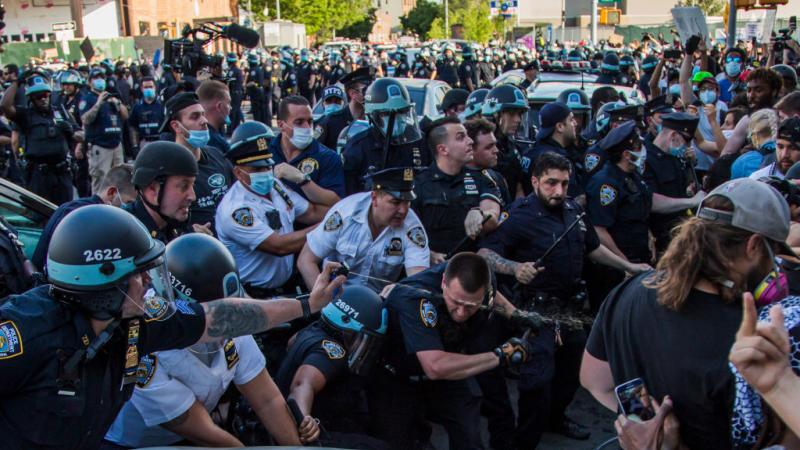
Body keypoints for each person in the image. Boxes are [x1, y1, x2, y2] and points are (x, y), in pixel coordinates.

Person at [0, 202, 345, 450]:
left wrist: (307, 304)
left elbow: (219, 316)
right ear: (105, 284)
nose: (148, 284)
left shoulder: (136, 322)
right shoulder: (25, 333)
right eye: (138, 274)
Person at [581, 178, 795, 450]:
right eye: (773, 254)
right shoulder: (750, 340)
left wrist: (642, 422)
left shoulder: (628, 291)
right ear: (753, 246)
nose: (775, 268)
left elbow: (595, 381)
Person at [478, 152, 652, 448]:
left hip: (570, 309)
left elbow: (592, 248)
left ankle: (555, 418)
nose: (559, 191)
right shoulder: (519, 215)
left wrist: (628, 267)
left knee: (573, 371)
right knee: (537, 382)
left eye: (564, 183)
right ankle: (525, 441)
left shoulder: (573, 210)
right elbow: (485, 254)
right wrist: (515, 268)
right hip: (534, 310)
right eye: (551, 183)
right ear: (535, 181)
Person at [102, 233, 319, 448]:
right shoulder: (142, 345)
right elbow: (201, 430)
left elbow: (267, 400)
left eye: (227, 307)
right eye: (214, 311)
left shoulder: (230, 321)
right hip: (130, 442)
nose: (223, 320)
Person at [367, 252, 535, 450]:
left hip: (449, 371)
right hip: (398, 378)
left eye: (471, 306)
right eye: (456, 302)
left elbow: (492, 292)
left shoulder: (482, 277)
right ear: (443, 283)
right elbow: (435, 367)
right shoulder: (414, 297)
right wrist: (500, 355)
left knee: (469, 437)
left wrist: (515, 314)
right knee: (397, 444)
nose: (461, 313)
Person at [584, 121, 704, 308]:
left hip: (639, 261)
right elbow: (599, 231)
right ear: (626, 154)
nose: (644, 149)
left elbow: (646, 203)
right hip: (616, 269)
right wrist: (625, 265)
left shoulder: (633, 176)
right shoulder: (606, 183)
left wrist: (649, 235)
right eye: (639, 146)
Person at [215, 121, 324, 298]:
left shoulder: (275, 187)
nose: (265, 172)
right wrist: (328, 227)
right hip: (255, 296)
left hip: (286, 287)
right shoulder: (236, 209)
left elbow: (311, 212)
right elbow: (279, 246)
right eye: (257, 169)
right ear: (238, 172)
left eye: (268, 166)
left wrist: (340, 213)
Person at [276, 285, 390, 449]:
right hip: (309, 433)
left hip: (282, 419)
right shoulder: (333, 352)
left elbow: (290, 345)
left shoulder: (310, 330)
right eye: (362, 338)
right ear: (346, 327)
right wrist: (304, 421)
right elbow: (302, 384)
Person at [298, 167, 429, 293]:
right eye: (395, 202)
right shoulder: (345, 214)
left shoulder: (412, 228)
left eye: (407, 202)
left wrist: (402, 291)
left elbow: (418, 280)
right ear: (374, 198)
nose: (403, 210)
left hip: (380, 301)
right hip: (336, 295)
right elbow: (306, 260)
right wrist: (322, 300)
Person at [413, 116, 502, 263]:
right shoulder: (418, 184)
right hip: (432, 267)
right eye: (461, 137)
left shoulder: (481, 179)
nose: (470, 141)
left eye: (467, 135)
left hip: (471, 266)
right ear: (443, 149)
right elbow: (405, 230)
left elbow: (493, 214)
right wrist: (427, 254)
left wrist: (480, 213)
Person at [31, 164, 136, 271]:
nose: (129, 209)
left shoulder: (76, 210)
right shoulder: (85, 217)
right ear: (112, 193)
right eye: (128, 202)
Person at [0, 70, 76, 205]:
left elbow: (81, 135)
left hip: (62, 173)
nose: (43, 99)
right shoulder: (25, 116)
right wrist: (17, 82)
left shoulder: (61, 113)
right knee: (40, 212)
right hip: (39, 176)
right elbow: (5, 105)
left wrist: (70, 130)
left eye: (45, 95)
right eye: (38, 96)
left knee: (65, 211)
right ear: (31, 98)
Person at [342, 78, 427, 194]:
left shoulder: (419, 142)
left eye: (402, 112)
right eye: (387, 114)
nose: (397, 118)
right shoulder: (358, 148)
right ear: (373, 116)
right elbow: (349, 195)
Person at [643, 112, 703, 253]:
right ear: (673, 135)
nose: (688, 145)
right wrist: (691, 202)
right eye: (687, 140)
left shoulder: (674, 157)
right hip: (659, 236)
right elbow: (651, 201)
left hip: (678, 233)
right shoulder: (646, 160)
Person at [270, 95, 344, 206]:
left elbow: (336, 201)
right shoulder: (267, 152)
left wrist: (303, 180)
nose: (307, 127)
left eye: (310, 121)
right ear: (281, 125)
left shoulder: (327, 157)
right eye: (299, 122)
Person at [125, 141, 198, 243]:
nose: (192, 196)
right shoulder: (126, 236)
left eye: (193, 185)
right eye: (184, 186)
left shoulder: (174, 227)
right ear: (153, 189)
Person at [80, 68, 128, 194]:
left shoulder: (111, 97)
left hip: (116, 145)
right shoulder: (87, 99)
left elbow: (125, 116)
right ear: (89, 82)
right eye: (96, 78)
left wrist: (118, 103)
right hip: (100, 147)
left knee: (119, 180)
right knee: (101, 182)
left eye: (102, 77)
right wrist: (98, 103)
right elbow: (85, 119)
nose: (100, 80)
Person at [524, 102, 583, 198]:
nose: (575, 123)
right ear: (560, 126)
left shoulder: (530, 152)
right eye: (571, 120)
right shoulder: (559, 160)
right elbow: (570, 198)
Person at [482, 84, 531, 199]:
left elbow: (518, 189)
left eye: (520, 114)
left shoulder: (513, 148)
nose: (518, 119)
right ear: (495, 114)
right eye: (512, 113)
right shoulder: (478, 147)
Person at [314, 67, 372, 151]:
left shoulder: (374, 120)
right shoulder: (331, 122)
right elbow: (315, 151)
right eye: (366, 90)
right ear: (353, 94)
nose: (371, 93)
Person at [464, 118, 512, 205]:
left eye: (495, 144)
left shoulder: (497, 177)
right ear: (470, 149)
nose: (496, 150)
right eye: (489, 147)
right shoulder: (457, 181)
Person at [128, 77, 163, 157]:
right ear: (141, 89)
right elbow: (133, 127)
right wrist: (135, 146)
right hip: (144, 142)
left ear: (155, 87)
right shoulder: (137, 107)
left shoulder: (162, 104)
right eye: (146, 87)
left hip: (160, 141)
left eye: (151, 87)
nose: (148, 89)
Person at [197, 79, 232, 154]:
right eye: (228, 103)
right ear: (219, 106)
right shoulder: (215, 142)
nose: (230, 108)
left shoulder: (196, 136)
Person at [245, 53, 269, 125]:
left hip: (256, 93)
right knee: (261, 112)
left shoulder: (253, 70)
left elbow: (252, 82)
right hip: (260, 92)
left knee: (257, 113)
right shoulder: (259, 69)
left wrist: (246, 85)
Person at [226, 53, 245, 131]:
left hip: (234, 94)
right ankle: (237, 127)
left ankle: (231, 129)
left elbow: (228, 82)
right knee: (237, 111)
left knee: (232, 112)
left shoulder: (232, 71)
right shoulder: (238, 70)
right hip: (238, 93)